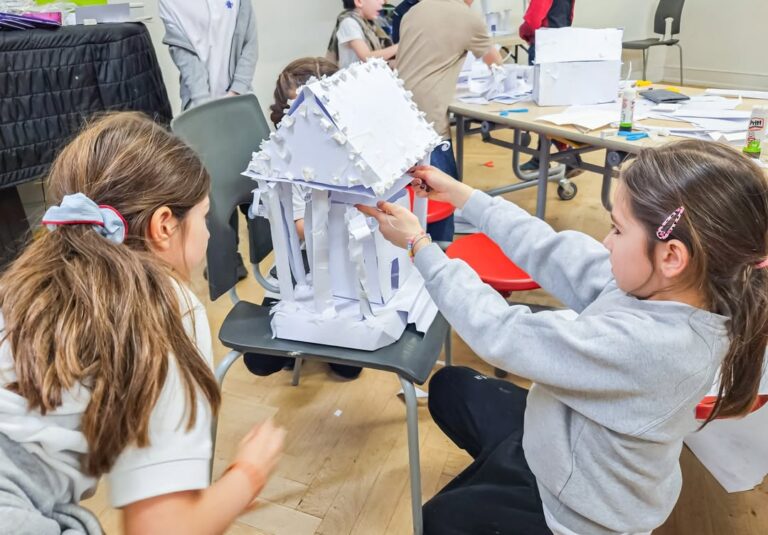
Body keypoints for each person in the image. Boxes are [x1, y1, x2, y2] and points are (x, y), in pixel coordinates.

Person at [358, 140, 768, 534]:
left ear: (672, 256)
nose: (606, 241)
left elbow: (503, 332)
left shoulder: (653, 346)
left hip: (576, 510)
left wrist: (420, 246)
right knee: (452, 388)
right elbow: (549, 250)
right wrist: (465, 196)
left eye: (618, 230)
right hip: (561, 441)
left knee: (435, 522)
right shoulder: (673, 288)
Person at [0, 113, 284, 534]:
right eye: (204, 217)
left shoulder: (23, 279)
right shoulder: (168, 311)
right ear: (164, 225)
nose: (209, 233)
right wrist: (248, 473)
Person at [242, 58, 364, 380]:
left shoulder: (352, 149)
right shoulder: (287, 159)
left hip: (343, 259)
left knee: (348, 367)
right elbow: (298, 228)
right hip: (304, 256)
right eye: (297, 113)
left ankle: (319, 342)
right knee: (261, 360)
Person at [396, 0, 503, 241]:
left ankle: (411, 254)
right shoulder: (466, 17)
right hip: (429, 124)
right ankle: (439, 256)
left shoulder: (414, 11)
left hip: (399, 114)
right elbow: (496, 64)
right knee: (441, 194)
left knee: (408, 195)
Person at [518, 0, 579, 175]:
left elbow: (533, 19)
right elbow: (569, 15)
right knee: (552, 105)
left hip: (544, 44)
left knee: (542, 107)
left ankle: (570, 158)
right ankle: (543, 157)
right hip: (561, 41)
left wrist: (524, 32)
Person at [327, 0, 398, 69]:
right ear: (359, 1)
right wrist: (399, 46)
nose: (383, 2)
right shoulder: (349, 23)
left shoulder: (371, 24)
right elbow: (367, 58)